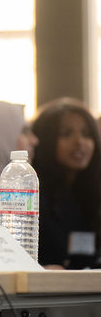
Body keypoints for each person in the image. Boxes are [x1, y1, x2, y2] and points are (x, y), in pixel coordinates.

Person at [31, 97, 101, 268]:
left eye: (86, 134)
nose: (79, 142)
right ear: (45, 140)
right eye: (66, 134)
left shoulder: (91, 193)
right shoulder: (34, 194)